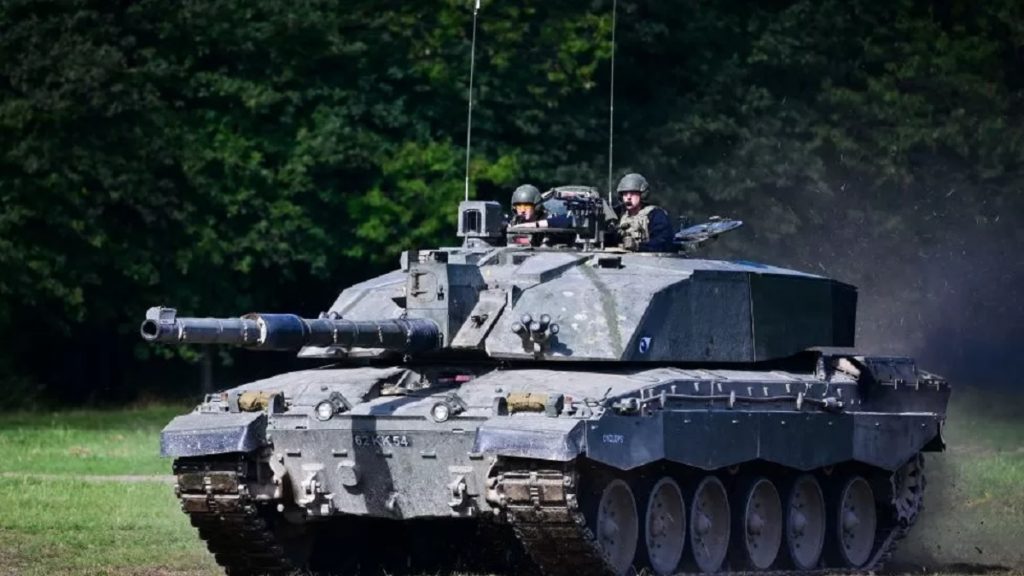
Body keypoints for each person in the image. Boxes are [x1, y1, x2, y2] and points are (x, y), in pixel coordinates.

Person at [615, 173, 674, 252]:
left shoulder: (655, 215)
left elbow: (664, 242)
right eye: (625, 194)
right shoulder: (618, 214)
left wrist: (638, 246)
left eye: (633, 193)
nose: (628, 197)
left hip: (649, 258)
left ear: (642, 194)